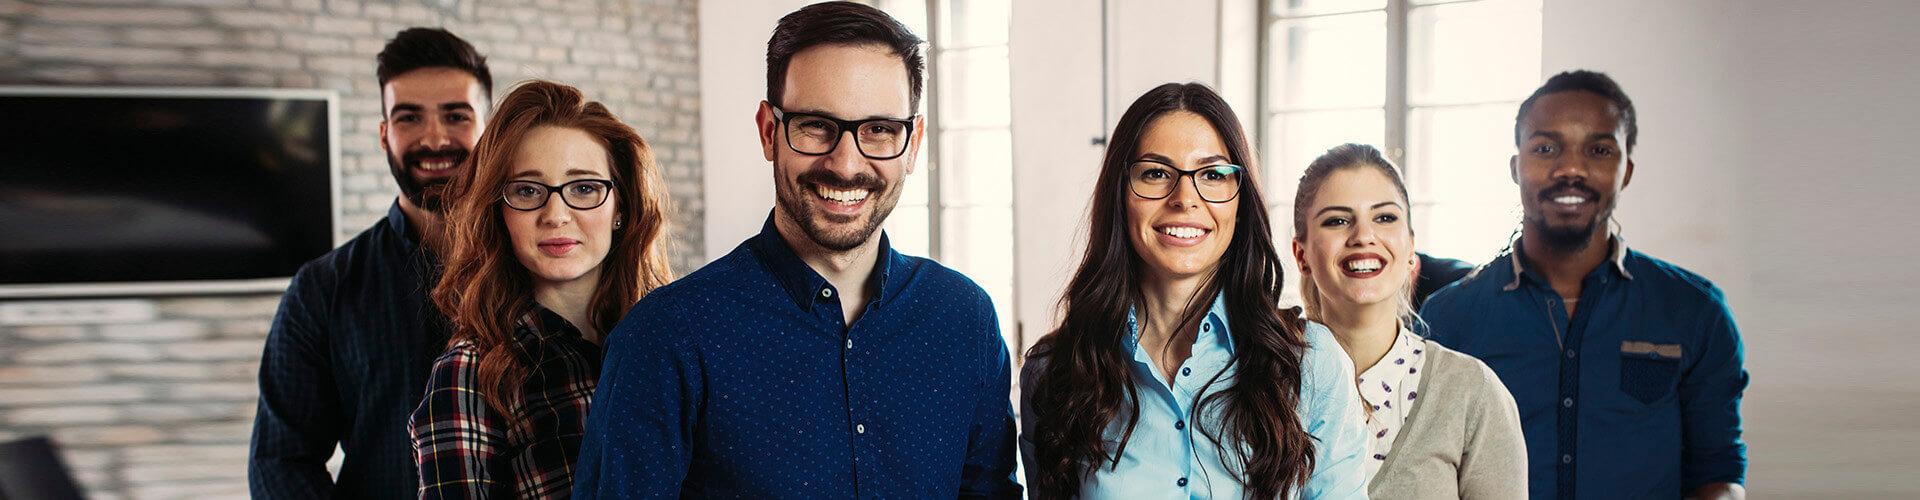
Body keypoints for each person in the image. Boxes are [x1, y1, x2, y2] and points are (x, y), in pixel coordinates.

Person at [571, 2, 1020, 497]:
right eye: (815, 126)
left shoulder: (965, 320)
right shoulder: (663, 339)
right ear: (769, 132)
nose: (846, 164)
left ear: (912, 144)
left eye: (879, 130)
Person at [1019, 83, 1368, 499]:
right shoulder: (1055, 370)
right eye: (1155, 173)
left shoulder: (1311, 363)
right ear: (1120, 194)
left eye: (1213, 175)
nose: (1185, 198)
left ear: (1240, 203)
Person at [1420, 70, 1748, 500]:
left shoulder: (1695, 310)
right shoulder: (1448, 318)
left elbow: (1718, 474)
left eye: (1598, 149)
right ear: (1517, 168)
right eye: (1546, 147)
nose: (1571, 168)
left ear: (1625, 170)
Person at [250, 27, 492, 498]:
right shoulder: (322, 290)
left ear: (490, 130)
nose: (435, 138)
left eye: (456, 115)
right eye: (409, 118)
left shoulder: (543, 264)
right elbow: (280, 461)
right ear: (385, 135)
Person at [408, 80, 673, 498]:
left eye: (584, 188)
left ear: (620, 207)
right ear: (500, 212)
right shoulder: (469, 374)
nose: (556, 214)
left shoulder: (673, 339)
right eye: (527, 191)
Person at [1291, 143, 1526, 497]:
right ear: (1301, 254)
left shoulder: (1472, 392)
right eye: (1337, 220)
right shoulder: (1256, 383)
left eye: (1384, 217)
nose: (1363, 236)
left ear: (1410, 245)